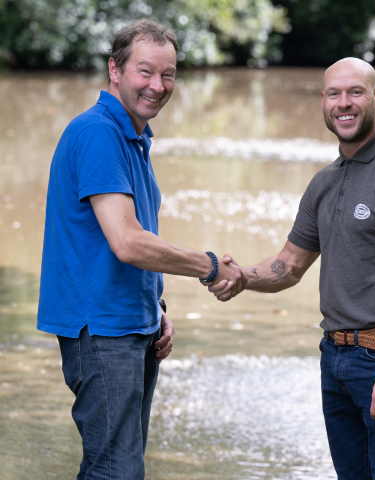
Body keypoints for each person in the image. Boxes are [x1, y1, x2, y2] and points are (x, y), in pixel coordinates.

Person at [209, 57, 375, 479]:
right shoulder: (325, 182)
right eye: (334, 94)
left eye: (355, 92)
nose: (344, 103)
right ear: (323, 102)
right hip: (334, 357)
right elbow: (291, 264)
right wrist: (243, 276)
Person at [37, 19, 244, 480]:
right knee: (116, 471)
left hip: (130, 323)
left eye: (167, 74)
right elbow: (128, 242)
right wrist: (208, 266)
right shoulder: (97, 133)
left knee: (114, 466)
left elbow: (122, 241)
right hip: (102, 329)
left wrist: (157, 307)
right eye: (145, 71)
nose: (157, 85)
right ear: (115, 69)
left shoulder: (133, 136)